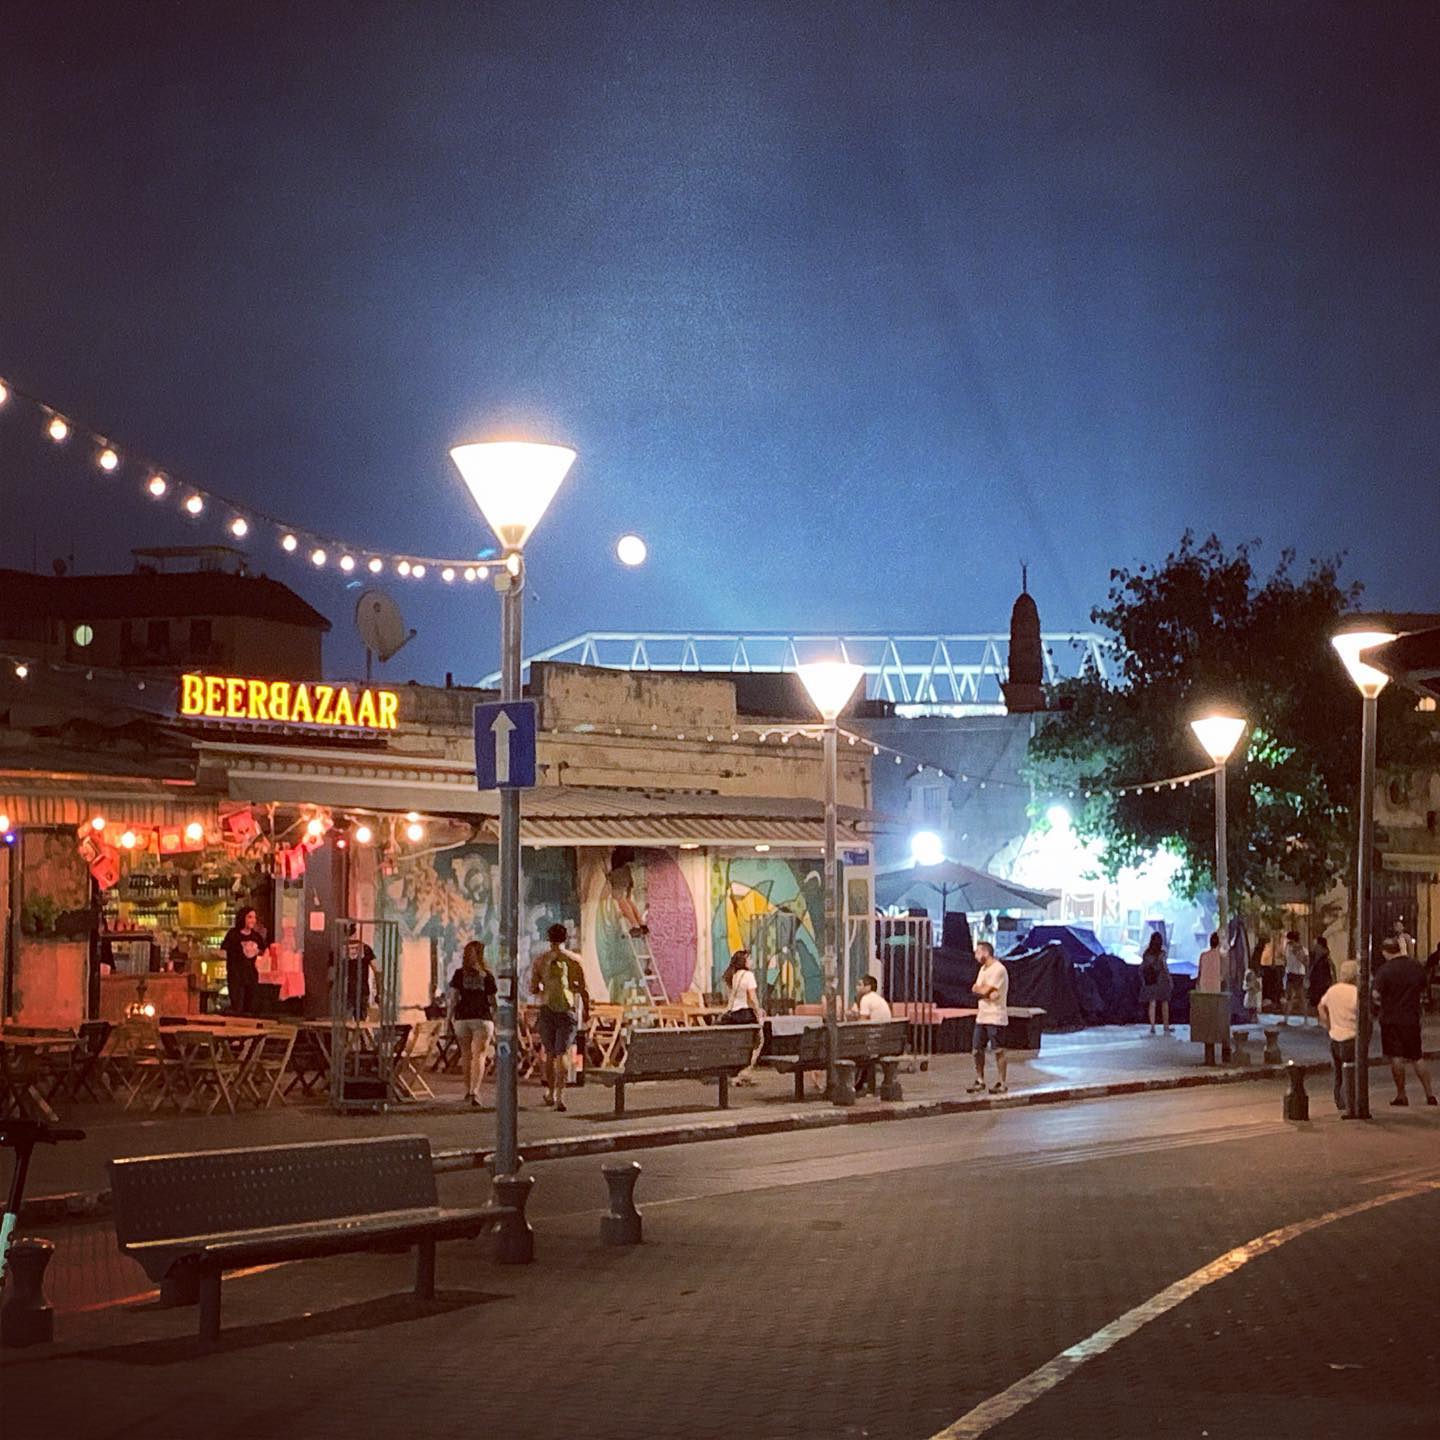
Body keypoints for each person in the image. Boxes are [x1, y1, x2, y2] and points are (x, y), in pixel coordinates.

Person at [530, 923, 588, 1112]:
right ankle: (561, 1096)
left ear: (549, 938)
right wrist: (586, 1009)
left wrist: (543, 987)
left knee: (549, 1053)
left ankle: (550, 1092)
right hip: (567, 1009)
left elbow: (533, 988)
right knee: (563, 1052)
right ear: (566, 938)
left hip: (547, 1008)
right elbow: (583, 988)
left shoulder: (540, 960)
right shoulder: (574, 960)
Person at [1373, 937, 1436, 1107]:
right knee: (1417, 1056)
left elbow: (1376, 995)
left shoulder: (1385, 971)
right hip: (1411, 1017)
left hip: (1391, 1019)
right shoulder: (1415, 966)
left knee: (1396, 1057)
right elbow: (1423, 986)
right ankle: (1430, 1094)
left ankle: (1401, 1094)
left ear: (1385, 952)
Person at [449, 940, 497, 1107]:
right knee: (479, 1055)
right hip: (482, 1019)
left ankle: (467, 1089)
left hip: (462, 1018)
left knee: (466, 1055)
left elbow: (453, 999)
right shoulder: (487, 976)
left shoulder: (459, 974)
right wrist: (497, 1018)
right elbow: (492, 1000)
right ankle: (474, 1091)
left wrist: (449, 1017)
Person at [1317, 960, 1360, 1115]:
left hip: (1335, 1036)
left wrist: (1326, 1023)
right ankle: (1352, 1103)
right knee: (1353, 1072)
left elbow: (1321, 1006)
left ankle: (1339, 1100)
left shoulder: (1333, 991)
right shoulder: (1356, 992)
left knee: (1339, 1074)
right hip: (1351, 1036)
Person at [968, 941, 1010, 1094]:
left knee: (998, 1050)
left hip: (996, 1017)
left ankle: (1001, 1082)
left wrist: (984, 991)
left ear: (985, 952)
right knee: (976, 1049)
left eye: (977, 952)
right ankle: (980, 1080)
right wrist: (983, 991)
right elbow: (976, 988)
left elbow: (987, 991)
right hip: (982, 1016)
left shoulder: (998, 969)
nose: (975, 955)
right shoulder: (982, 970)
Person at [219, 906, 268, 1015]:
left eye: (254, 918)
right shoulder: (233, 934)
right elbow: (223, 950)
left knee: (250, 1009)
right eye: (250, 917)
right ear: (243, 918)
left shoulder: (256, 936)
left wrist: (259, 957)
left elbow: (264, 952)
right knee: (237, 1008)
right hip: (236, 976)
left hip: (251, 976)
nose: (253, 920)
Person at [337, 925, 379, 1020]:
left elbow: (331, 973)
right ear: (355, 932)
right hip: (362, 990)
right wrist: (379, 992)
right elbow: (377, 970)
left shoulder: (339, 950)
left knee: (344, 1024)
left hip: (345, 991)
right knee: (360, 1024)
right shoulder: (365, 948)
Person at [607, 848, 648, 938]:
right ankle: (641, 924)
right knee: (627, 899)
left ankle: (635, 926)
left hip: (619, 871)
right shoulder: (627, 846)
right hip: (626, 871)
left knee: (620, 899)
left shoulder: (620, 849)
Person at [1137, 931, 1172, 1034]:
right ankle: (1166, 1025)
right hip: (1162, 981)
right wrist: (1169, 979)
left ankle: (1152, 1026)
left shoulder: (1146, 954)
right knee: (1164, 1003)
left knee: (1152, 1003)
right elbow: (1165, 968)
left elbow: (1142, 968)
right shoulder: (1162, 954)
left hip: (1151, 981)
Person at [1282, 930, 1308, 1026]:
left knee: (1301, 997)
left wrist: (1297, 952)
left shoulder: (1302, 949)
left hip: (1298, 973)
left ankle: (1305, 1019)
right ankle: (1286, 1019)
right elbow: (1286, 960)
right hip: (1291, 972)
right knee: (1289, 996)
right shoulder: (1288, 948)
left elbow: (1305, 961)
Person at [1307, 936, 1334, 1027]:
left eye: (1316, 944)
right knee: (1317, 1001)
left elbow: (1329, 971)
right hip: (1316, 982)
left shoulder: (1325, 958)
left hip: (1322, 983)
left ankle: (1324, 1021)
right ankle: (1320, 1020)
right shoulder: (1316, 956)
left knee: (1321, 1002)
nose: (1315, 946)